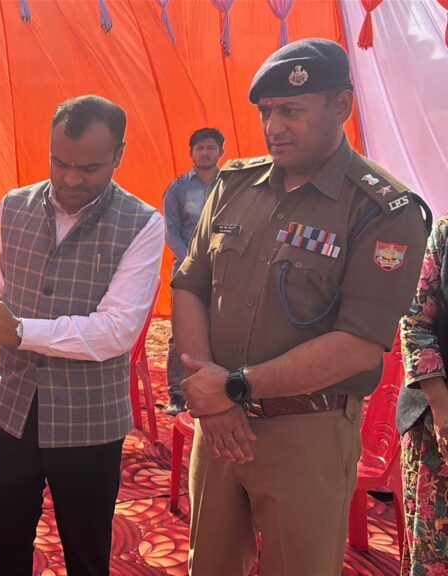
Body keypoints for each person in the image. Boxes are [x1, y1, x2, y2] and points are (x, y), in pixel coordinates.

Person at [171, 38, 428, 574]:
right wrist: (213, 395)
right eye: (267, 112)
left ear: (341, 105)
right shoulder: (235, 185)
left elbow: (359, 344)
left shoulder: (382, 210)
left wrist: (233, 387)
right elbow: (190, 284)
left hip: (307, 434)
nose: (274, 127)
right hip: (218, 426)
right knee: (208, 566)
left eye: (291, 110)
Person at [0, 95, 164, 575]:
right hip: (8, 409)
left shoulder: (142, 224)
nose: (71, 179)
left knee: (86, 552)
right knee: (3, 541)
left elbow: (115, 331)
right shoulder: (13, 206)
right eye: (60, 162)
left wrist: (19, 330)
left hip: (89, 421)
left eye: (89, 168)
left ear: (119, 155)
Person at [162, 128, 225, 415]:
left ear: (221, 152)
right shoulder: (177, 189)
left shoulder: (232, 185)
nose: (205, 153)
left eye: (211, 148)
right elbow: (171, 231)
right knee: (181, 333)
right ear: (191, 153)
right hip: (187, 270)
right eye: (200, 148)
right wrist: (192, 261)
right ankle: (177, 394)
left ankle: (219, 390)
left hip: (224, 270)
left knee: (223, 328)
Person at [398, 215, 448, 575]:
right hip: (437, 424)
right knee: (434, 556)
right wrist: (442, 411)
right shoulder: (445, 233)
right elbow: (415, 322)